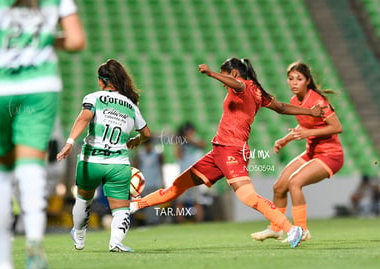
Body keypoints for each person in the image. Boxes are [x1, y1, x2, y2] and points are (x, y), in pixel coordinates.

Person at [130, 57, 326, 248]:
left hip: (232, 150)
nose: (225, 84)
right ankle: (135, 205)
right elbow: (281, 107)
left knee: (248, 196)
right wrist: (309, 112)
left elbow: (237, 84)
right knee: (176, 187)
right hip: (218, 152)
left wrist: (211, 73)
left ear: (233, 73)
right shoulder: (258, 91)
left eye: (226, 77)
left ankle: (291, 229)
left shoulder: (244, 87)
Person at [0, 0, 85, 269]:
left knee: (0, 177)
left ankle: (4, 263)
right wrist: (47, 41)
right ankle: (33, 242)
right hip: (40, 85)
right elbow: (76, 41)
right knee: (32, 172)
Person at [56, 59, 151, 253]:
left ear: (101, 81)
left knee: (83, 200)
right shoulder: (131, 104)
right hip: (118, 163)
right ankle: (115, 242)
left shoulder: (94, 97)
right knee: (121, 209)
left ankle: (79, 238)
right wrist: (136, 140)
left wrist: (69, 142)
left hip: (92, 160)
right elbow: (147, 134)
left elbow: (84, 117)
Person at [251, 61, 343, 242]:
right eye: (291, 78)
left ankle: (302, 230)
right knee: (279, 187)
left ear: (307, 81)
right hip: (312, 152)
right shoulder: (295, 101)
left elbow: (337, 127)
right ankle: (276, 228)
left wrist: (309, 133)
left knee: (294, 183)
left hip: (331, 155)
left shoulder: (318, 101)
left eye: (299, 79)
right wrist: (286, 139)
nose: (294, 82)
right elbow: (304, 124)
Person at [174, 121, 209, 223]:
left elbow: (203, 145)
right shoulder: (181, 142)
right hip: (183, 174)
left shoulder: (197, 140)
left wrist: (191, 140)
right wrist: (180, 141)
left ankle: (199, 221)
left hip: (195, 175)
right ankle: (180, 221)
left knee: (197, 200)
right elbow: (178, 155)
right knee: (180, 201)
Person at [132, 138, 165, 225]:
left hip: (155, 182)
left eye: (149, 144)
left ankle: (155, 221)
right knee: (146, 203)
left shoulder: (157, 153)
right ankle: (149, 222)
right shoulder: (140, 154)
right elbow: (135, 167)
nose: (147, 147)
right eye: (146, 145)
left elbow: (161, 167)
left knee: (155, 203)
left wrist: (162, 180)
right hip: (144, 183)